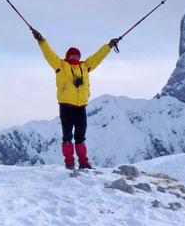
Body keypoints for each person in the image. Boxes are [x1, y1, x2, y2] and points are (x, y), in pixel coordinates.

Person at [31, 28, 119, 169]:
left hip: (81, 106)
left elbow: (97, 57)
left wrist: (109, 46)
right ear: (67, 56)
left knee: (80, 137)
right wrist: (41, 41)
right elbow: (49, 54)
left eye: (76, 56)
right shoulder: (60, 65)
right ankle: (69, 163)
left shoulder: (85, 67)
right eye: (72, 56)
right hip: (66, 106)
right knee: (67, 137)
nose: (75, 58)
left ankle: (84, 163)